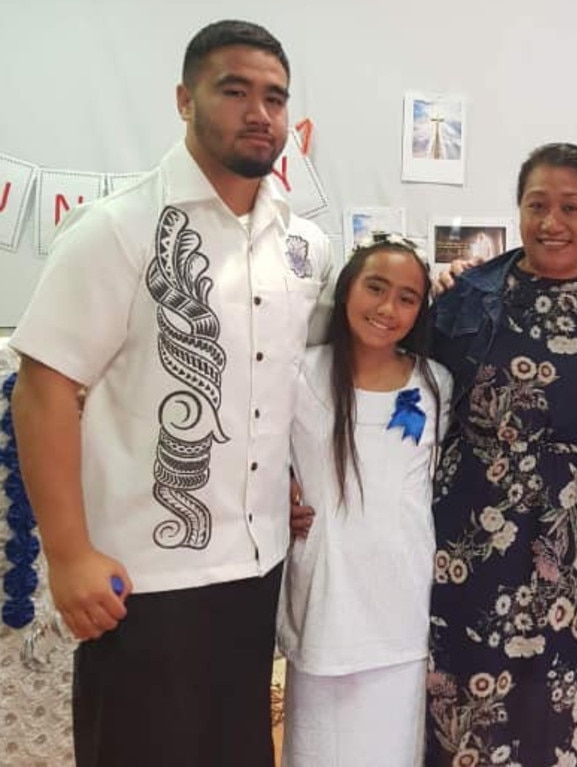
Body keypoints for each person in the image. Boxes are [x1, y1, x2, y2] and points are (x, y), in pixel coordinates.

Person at [9, 20, 333, 767]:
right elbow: (45, 386)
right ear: (185, 100)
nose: (260, 112)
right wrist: (66, 554)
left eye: (276, 97)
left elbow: (275, 381)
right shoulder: (116, 230)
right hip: (142, 578)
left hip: (257, 567)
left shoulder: (302, 246)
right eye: (235, 90)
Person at [423, 143, 577, 767]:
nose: (553, 222)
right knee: (471, 686)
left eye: (571, 207)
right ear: (518, 211)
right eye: (537, 205)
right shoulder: (467, 297)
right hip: (475, 526)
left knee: (567, 689)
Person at [277, 236, 452, 766]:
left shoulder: (434, 383)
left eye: (407, 297)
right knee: (319, 746)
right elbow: (254, 453)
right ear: (347, 289)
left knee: (391, 746)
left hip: (400, 600)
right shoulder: (299, 374)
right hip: (325, 593)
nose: (387, 309)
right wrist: (275, 493)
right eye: (375, 288)